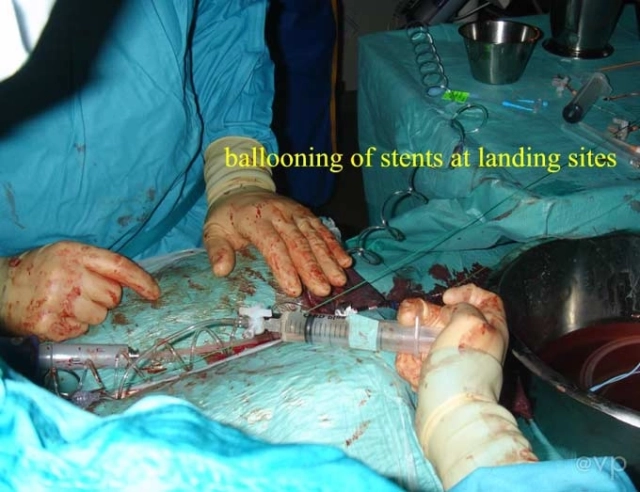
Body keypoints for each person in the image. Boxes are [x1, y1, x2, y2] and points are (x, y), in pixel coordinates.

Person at [0, 0, 352, 342]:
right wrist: (5, 288)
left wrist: (239, 180)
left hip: (192, 227)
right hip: (32, 290)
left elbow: (224, 24)